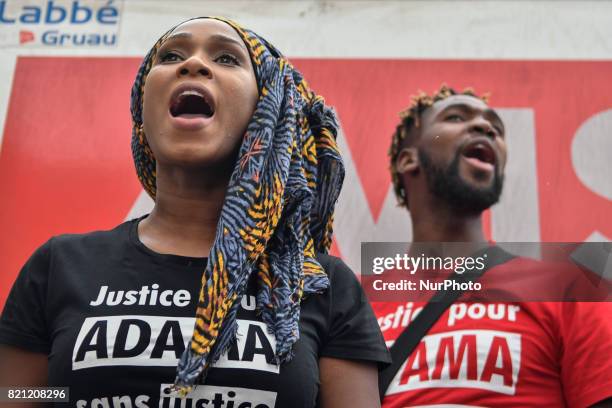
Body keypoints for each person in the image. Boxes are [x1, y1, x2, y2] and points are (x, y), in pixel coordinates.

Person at [0, 17, 390, 408]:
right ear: (142, 112)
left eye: (226, 58)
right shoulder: (59, 265)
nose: (193, 65)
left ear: (270, 112)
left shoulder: (322, 286)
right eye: (171, 55)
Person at [374, 85, 612, 407]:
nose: (485, 128)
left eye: (496, 129)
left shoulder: (569, 287)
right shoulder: (356, 304)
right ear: (407, 160)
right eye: (456, 117)